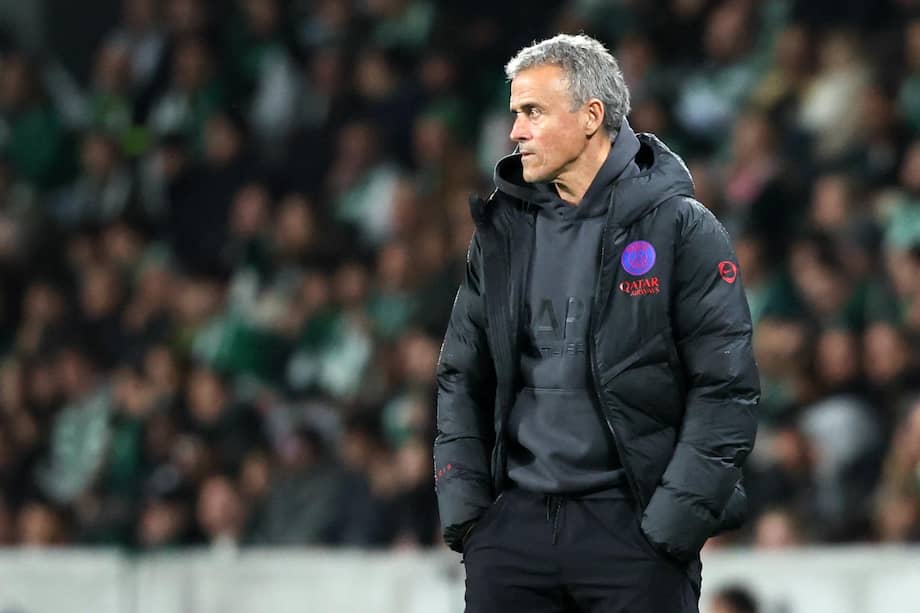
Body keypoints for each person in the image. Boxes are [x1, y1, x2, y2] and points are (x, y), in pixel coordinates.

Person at [434, 33, 760, 613]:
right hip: (514, 536)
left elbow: (727, 387)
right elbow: (461, 375)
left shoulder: (682, 229)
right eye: (515, 113)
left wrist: (669, 528)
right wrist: (470, 517)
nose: (515, 131)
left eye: (532, 111)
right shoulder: (502, 233)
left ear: (590, 117)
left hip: (632, 533)